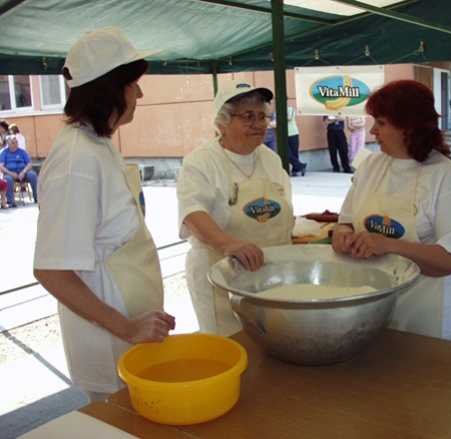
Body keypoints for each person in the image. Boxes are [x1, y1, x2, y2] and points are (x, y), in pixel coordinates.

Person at [33, 27, 175, 403]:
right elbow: (51, 270)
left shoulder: (99, 144)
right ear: (110, 89)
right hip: (110, 344)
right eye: (133, 84)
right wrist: (127, 327)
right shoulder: (76, 160)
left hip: (132, 331)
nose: (139, 94)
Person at [331, 80, 451, 341]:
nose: (373, 131)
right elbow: (346, 222)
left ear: (410, 126)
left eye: (382, 123)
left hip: (427, 313)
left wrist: (387, 245)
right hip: (372, 307)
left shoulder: (445, 176)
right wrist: (342, 235)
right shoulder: (370, 167)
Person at [177, 79, 294, 336]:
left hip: (270, 275)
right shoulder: (201, 162)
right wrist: (228, 244)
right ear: (222, 124)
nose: (258, 124)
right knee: (230, 343)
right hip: (221, 277)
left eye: (262, 116)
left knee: (272, 340)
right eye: (247, 117)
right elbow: (193, 215)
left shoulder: (271, 159)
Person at [0, 135, 38, 207]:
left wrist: (24, 171)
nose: (15, 144)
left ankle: (36, 197)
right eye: (13, 143)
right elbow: (1, 166)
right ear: (8, 144)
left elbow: (29, 163)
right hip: (10, 173)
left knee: (33, 175)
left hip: (23, 172)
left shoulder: (22, 151)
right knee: (7, 179)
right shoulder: (3, 153)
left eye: (16, 142)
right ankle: (10, 201)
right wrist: (11, 173)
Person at [287, 106, 306, 176]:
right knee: (287, 154)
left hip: (293, 133)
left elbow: (289, 118)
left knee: (294, 153)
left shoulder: (290, 109)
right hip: (284, 135)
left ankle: (294, 170)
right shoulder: (276, 112)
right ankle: (301, 166)